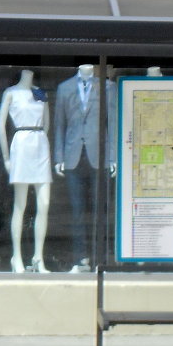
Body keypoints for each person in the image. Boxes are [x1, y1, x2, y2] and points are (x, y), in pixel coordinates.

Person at [53, 64, 116, 272]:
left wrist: (114, 156)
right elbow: (59, 124)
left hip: (100, 155)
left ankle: (100, 258)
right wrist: (59, 156)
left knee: (100, 209)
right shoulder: (64, 88)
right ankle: (80, 258)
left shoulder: (107, 87)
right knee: (77, 211)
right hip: (73, 156)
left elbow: (113, 124)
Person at [0, 69, 52, 273]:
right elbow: (0, 126)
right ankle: (17, 257)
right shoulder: (10, 92)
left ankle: (39, 257)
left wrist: (39, 139)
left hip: (40, 144)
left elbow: (46, 123)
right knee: (20, 204)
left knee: (44, 203)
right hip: (20, 145)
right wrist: (5, 156)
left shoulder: (41, 93)